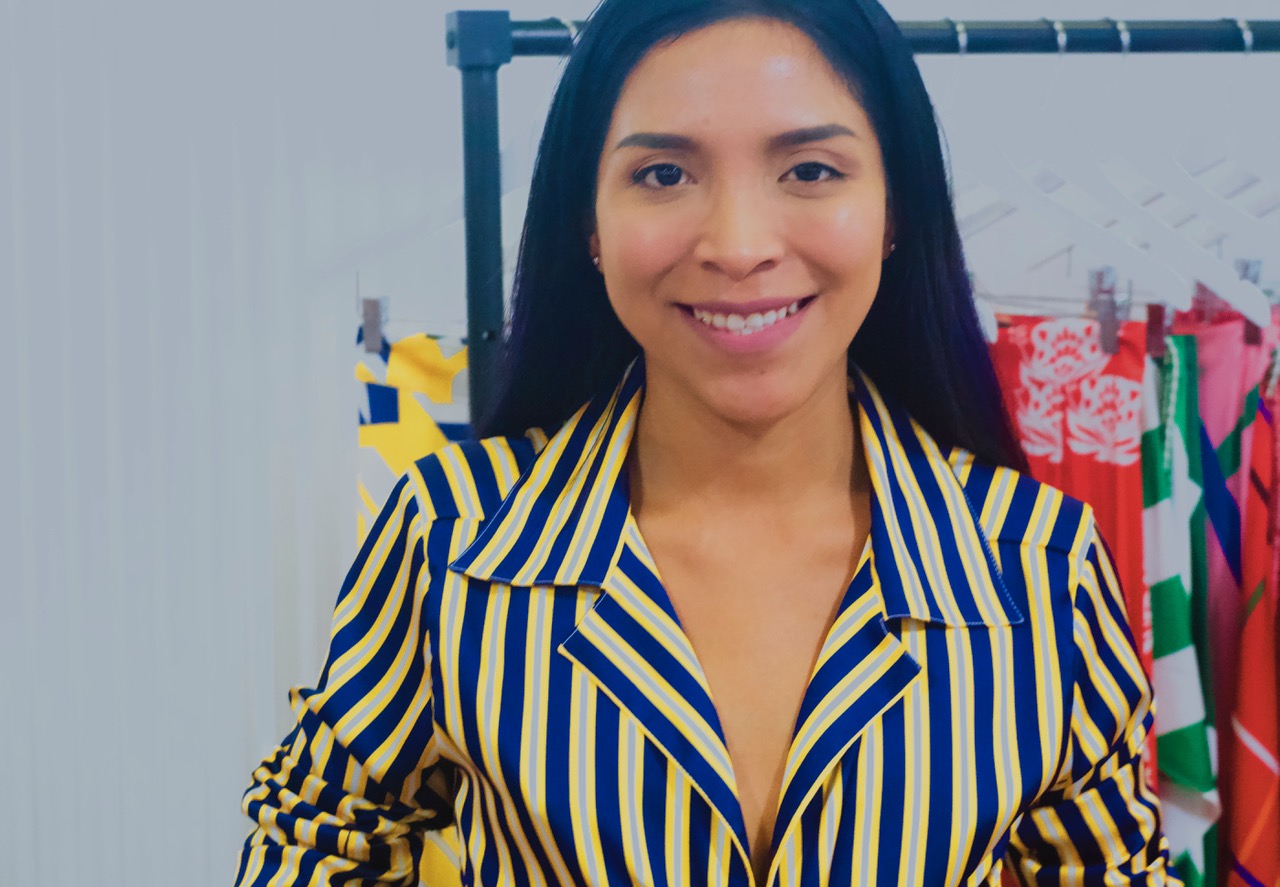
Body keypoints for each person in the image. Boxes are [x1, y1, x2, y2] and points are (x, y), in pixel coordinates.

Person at [234, 0, 1182, 884]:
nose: (738, 244)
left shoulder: (1039, 566)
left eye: (810, 170)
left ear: (895, 210)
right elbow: (314, 839)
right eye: (663, 174)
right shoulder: (452, 536)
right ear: (589, 224)